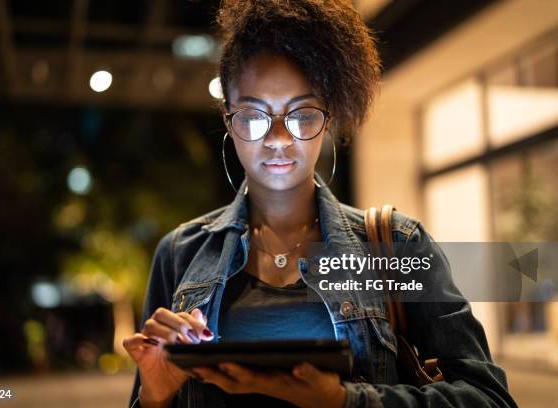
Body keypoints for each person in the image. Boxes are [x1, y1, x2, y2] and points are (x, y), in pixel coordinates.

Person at [124, 1, 517, 407]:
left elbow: (488, 398)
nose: (278, 137)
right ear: (228, 119)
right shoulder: (180, 253)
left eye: (301, 114)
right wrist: (155, 395)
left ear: (327, 118)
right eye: (254, 115)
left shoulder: (395, 246)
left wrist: (346, 401)